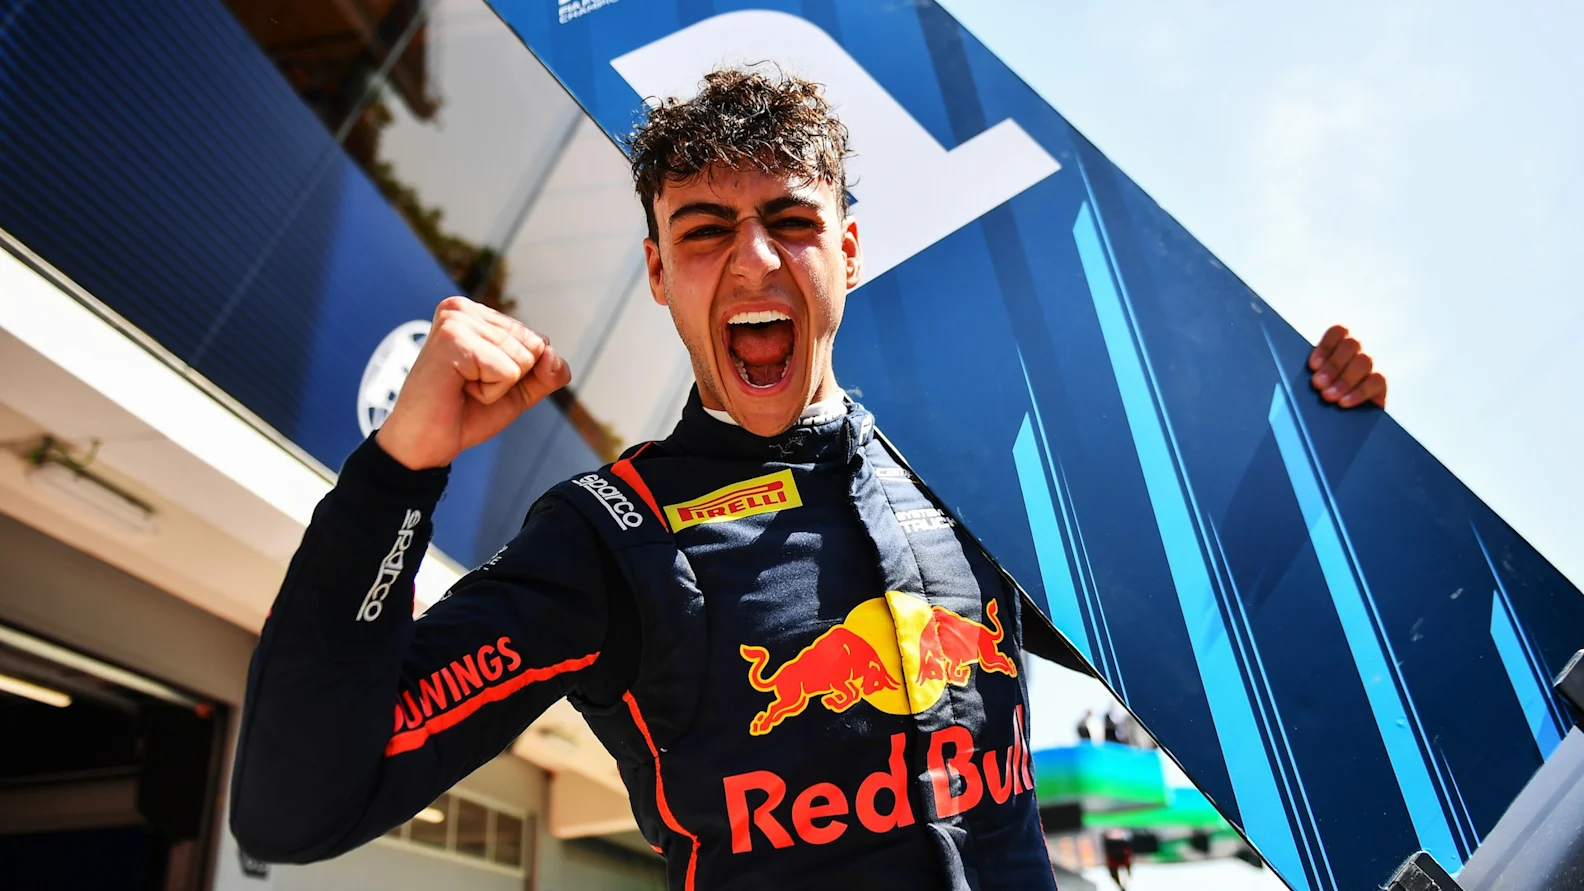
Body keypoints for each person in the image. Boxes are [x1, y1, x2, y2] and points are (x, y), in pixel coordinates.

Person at [228, 68, 1389, 889]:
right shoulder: (608, 538)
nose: (754, 258)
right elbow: (300, 802)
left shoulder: (968, 488)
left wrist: (1315, 441)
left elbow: (1195, 627)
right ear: (657, 274)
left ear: (847, 248)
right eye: (704, 231)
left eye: (790, 219)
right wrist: (394, 476)